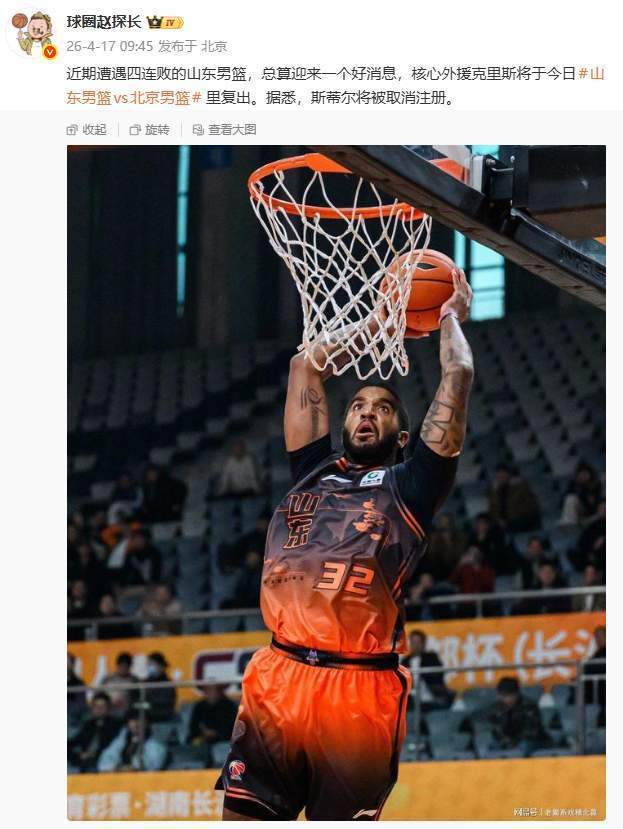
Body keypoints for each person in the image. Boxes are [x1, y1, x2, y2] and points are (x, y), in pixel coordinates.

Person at [216, 269, 473, 820]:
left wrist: (450, 316)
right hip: (279, 674)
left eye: (381, 407)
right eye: (357, 405)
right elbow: (305, 365)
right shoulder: (313, 469)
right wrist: (379, 323)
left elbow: (459, 374)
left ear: (401, 436)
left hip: (358, 688)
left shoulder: (412, 484)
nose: (366, 412)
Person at [482, 677, 550, 757]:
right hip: (506, 740)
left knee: (523, 747)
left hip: (531, 740)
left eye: (506, 695)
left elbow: (531, 731)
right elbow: (495, 729)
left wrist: (514, 742)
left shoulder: (529, 706)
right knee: (492, 748)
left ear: (515, 694)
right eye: (501, 695)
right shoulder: (496, 708)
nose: (503, 699)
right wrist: (505, 741)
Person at [98, 707, 168, 772]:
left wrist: (131, 768)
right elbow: (104, 761)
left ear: (147, 723)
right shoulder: (121, 741)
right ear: (128, 723)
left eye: (140, 720)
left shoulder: (156, 745)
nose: (136, 723)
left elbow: (152, 766)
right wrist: (118, 768)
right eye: (133, 720)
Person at [67, 692, 120, 773]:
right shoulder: (89, 724)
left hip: (103, 762)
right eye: (96, 706)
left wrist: (93, 754)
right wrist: (79, 755)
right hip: (84, 762)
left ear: (109, 708)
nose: (99, 709)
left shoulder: (115, 725)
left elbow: (113, 748)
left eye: (102, 706)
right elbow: (75, 741)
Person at [400, 630, 453, 710]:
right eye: (413, 642)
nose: (415, 645)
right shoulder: (405, 661)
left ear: (423, 643)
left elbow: (438, 675)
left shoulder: (431, 657)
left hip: (432, 697)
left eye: (418, 642)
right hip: (412, 701)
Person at [488, 464, 541, 533]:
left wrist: (511, 518)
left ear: (508, 474)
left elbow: (531, 505)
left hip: (521, 519)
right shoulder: (494, 491)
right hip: (505, 522)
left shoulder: (520, 487)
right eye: (499, 475)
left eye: (503, 474)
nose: (501, 477)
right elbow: (493, 509)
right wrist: (499, 520)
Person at [569, 500, 606, 573]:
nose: (603, 511)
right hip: (591, 553)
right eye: (601, 509)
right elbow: (583, 541)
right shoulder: (594, 525)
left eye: (605, 509)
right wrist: (590, 552)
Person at [144, 652, 177, 722]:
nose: (149, 667)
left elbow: (165, 703)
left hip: (163, 718)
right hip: (146, 717)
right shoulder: (145, 682)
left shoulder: (168, 684)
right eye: (148, 664)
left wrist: (149, 704)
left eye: (152, 664)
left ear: (161, 666)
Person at [583, 626, 606, 715]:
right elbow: (587, 668)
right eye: (596, 637)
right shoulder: (596, 654)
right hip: (594, 692)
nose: (597, 639)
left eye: (600, 636)